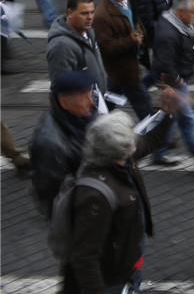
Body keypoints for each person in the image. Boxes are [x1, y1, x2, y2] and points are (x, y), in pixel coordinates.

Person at [61, 108, 174, 293]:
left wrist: (167, 113)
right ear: (125, 148)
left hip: (127, 270)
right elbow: (85, 258)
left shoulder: (119, 160)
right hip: (112, 282)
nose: (135, 140)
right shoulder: (95, 197)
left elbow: (150, 141)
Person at [30, 70, 105, 218]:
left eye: (91, 94)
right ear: (64, 101)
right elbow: (55, 195)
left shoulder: (80, 117)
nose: (91, 102)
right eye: (84, 96)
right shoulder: (49, 144)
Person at [151, 0, 194, 170]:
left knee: (171, 118)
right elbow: (165, 64)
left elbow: (181, 46)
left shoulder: (178, 24)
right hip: (174, 84)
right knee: (188, 123)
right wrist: (179, 83)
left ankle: (158, 151)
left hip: (176, 79)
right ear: (180, 12)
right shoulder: (168, 34)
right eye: (193, 13)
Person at [92, 0, 152, 120]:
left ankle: (96, 122)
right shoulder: (101, 15)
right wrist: (131, 41)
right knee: (142, 102)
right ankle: (154, 134)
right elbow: (107, 47)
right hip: (123, 67)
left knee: (110, 99)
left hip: (129, 64)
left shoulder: (128, 0)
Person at [47, 0, 106, 93]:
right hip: (81, 105)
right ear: (70, 13)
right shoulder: (62, 46)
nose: (90, 17)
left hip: (94, 102)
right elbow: (62, 87)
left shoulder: (89, 32)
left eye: (92, 12)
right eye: (84, 13)